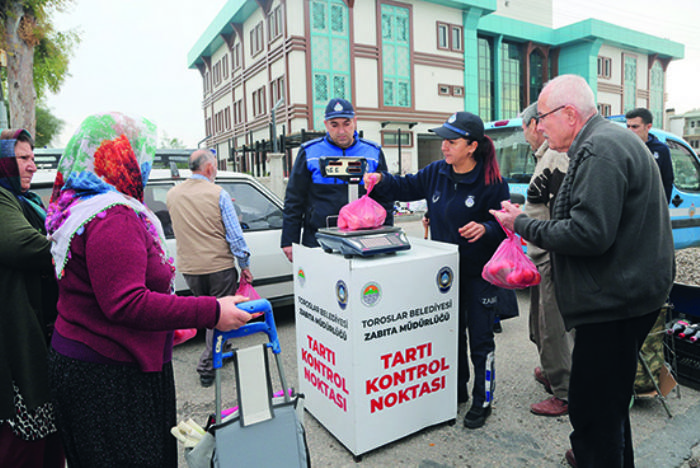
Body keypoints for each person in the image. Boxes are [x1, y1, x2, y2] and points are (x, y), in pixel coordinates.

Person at [45, 112, 257, 467]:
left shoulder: (80, 205)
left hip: (91, 366)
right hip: (109, 378)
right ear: (121, 158)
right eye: (141, 154)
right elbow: (126, 303)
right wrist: (212, 311)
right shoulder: (113, 215)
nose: (143, 165)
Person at [492, 75, 674, 467]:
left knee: (592, 409)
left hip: (615, 303)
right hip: (626, 294)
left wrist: (522, 224)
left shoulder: (599, 150)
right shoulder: (603, 142)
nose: (538, 127)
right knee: (608, 404)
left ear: (570, 114)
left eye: (542, 118)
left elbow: (589, 233)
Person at [365, 111, 510, 429]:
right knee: (450, 334)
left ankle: (482, 399)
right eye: (443, 139)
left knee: (481, 339)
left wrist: (486, 229)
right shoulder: (436, 173)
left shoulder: (493, 183)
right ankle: (455, 390)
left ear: (471, 146)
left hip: (479, 275)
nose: (444, 146)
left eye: (452, 141)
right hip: (445, 276)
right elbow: (404, 187)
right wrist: (380, 180)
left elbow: (506, 226)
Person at [0, 129, 64, 467]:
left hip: (40, 328)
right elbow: (22, 245)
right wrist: (73, 243)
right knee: (23, 439)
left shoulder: (26, 201)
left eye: (31, 158)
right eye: (22, 158)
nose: (32, 166)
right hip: (14, 334)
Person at [167, 149, 253, 387]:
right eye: (214, 166)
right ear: (208, 168)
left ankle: (221, 350)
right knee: (217, 316)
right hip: (218, 266)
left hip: (190, 268)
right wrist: (244, 264)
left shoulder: (173, 194)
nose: (215, 170)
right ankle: (206, 366)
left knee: (207, 311)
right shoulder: (218, 194)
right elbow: (235, 235)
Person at [280, 97, 393, 262]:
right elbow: (294, 199)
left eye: (346, 123)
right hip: (318, 240)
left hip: (363, 239)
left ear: (355, 122)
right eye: (334, 125)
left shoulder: (373, 152)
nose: (341, 131)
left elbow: (385, 198)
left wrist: (387, 235)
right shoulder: (309, 153)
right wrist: (289, 240)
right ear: (326, 125)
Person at [519, 102, 573, 417]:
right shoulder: (544, 157)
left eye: (524, 128)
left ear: (535, 125)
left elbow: (557, 211)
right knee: (541, 324)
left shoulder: (555, 157)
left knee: (554, 327)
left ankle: (565, 391)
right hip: (542, 254)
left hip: (552, 255)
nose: (526, 135)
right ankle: (553, 373)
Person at [625, 107, 674, 203]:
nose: (630, 130)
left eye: (635, 127)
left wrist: (662, 207)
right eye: (628, 126)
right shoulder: (622, 146)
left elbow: (667, 181)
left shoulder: (661, 150)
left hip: (651, 207)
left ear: (648, 127)